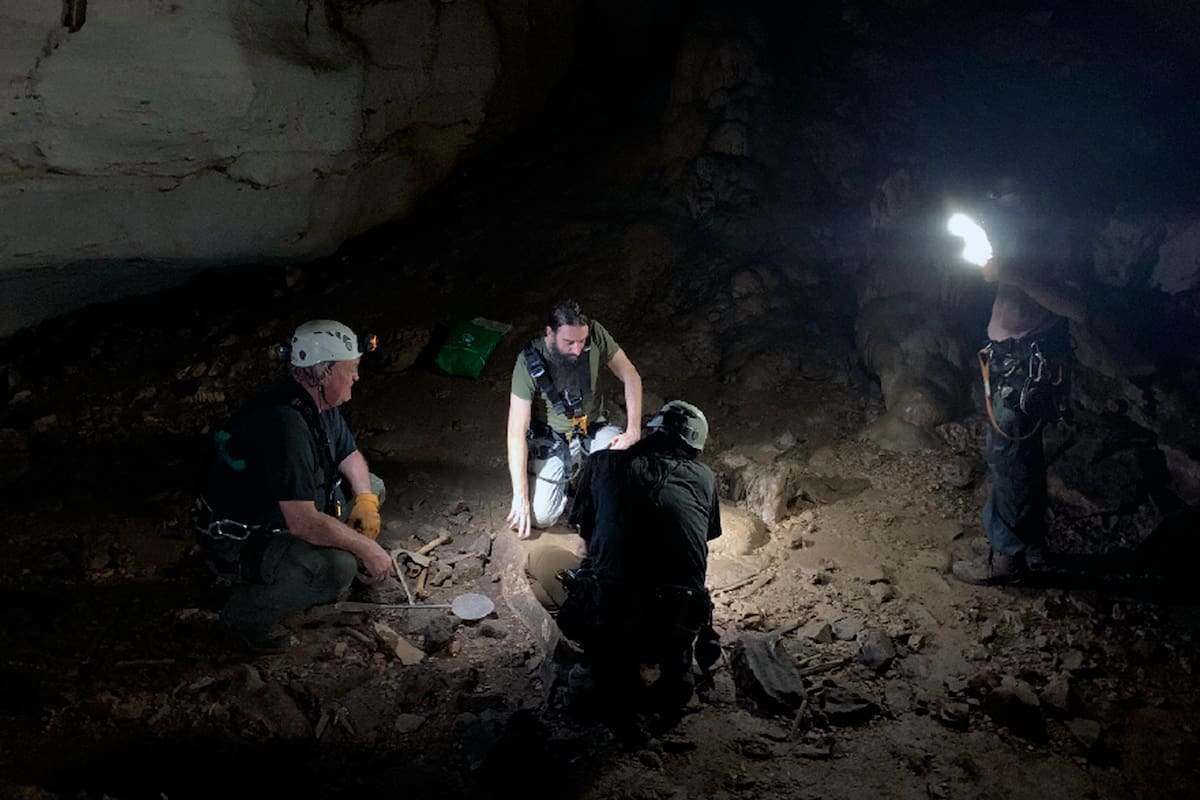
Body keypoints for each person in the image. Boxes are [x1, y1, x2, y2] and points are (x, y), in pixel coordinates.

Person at [193, 319, 395, 653]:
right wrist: (366, 549)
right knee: (336, 569)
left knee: (373, 485)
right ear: (323, 372)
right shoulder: (283, 426)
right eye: (352, 369)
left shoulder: (318, 402)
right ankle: (242, 620)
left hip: (292, 509)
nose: (358, 377)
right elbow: (303, 523)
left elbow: (350, 455)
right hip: (243, 536)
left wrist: (365, 501)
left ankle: (317, 558)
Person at [529, 400, 722, 739]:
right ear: (694, 446)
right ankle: (675, 667)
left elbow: (586, 546)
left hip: (614, 618)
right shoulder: (705, 477)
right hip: (677, 625)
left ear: (651, 430)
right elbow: (699, 544)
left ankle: (598, 667)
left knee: (538, 559)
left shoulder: (603, 463)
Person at [952, 184, 1087, 586]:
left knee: (1009, 459)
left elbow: (1079, 308)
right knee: (1019, 457)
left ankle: (1007, 557)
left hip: (1027, 367)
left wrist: (1016, 276)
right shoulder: (1020, 236)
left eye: (1013, 200)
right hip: (1009, 358)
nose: (1004, 207)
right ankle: (1022, 541)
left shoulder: (1060, 241)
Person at [506, 300, 643, 538]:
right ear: (550, 333)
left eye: (581, 341)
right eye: (569, 342)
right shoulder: (528, 361)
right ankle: (569, 481)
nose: (577, 349)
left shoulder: (595, 334)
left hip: (592, 427)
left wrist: (633, 431)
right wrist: (521, 496)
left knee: (626, 467)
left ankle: (588, 486)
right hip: (554, 439)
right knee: (541, 517)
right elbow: (516, 432)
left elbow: (630, 375)